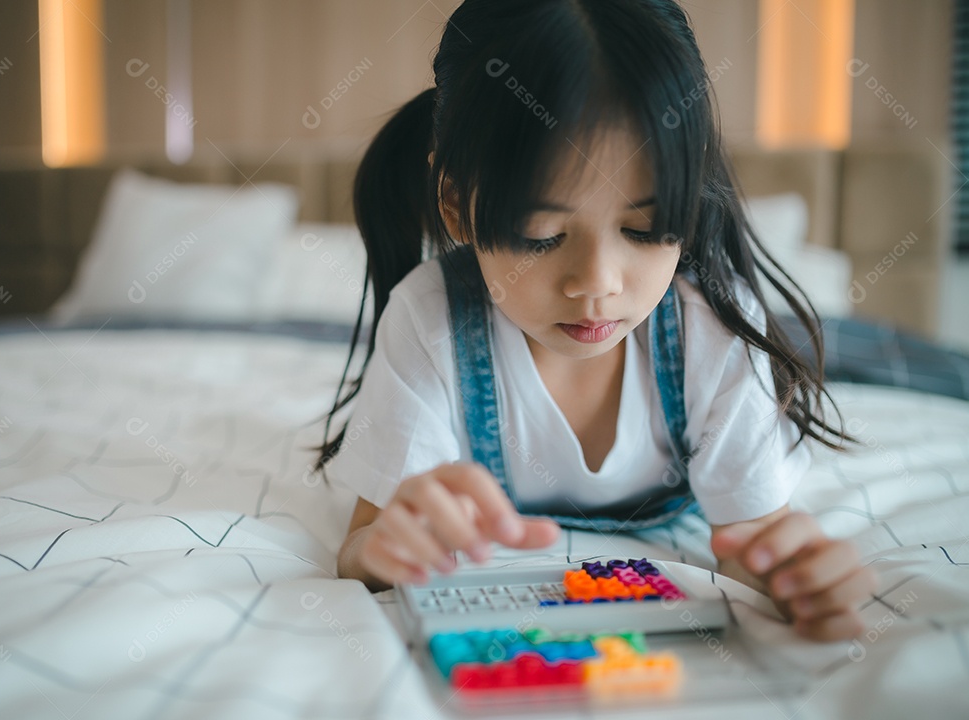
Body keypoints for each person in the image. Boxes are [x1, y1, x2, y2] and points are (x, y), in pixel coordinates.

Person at [316, 0, 875, 641]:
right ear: (456, 205)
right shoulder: (430, 317)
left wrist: (793, 578)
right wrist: (383, 550)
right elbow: (363, 544)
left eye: (645, 228)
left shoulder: (711, 327)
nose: (597, 283)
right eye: (542, 235)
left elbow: (751, 538)